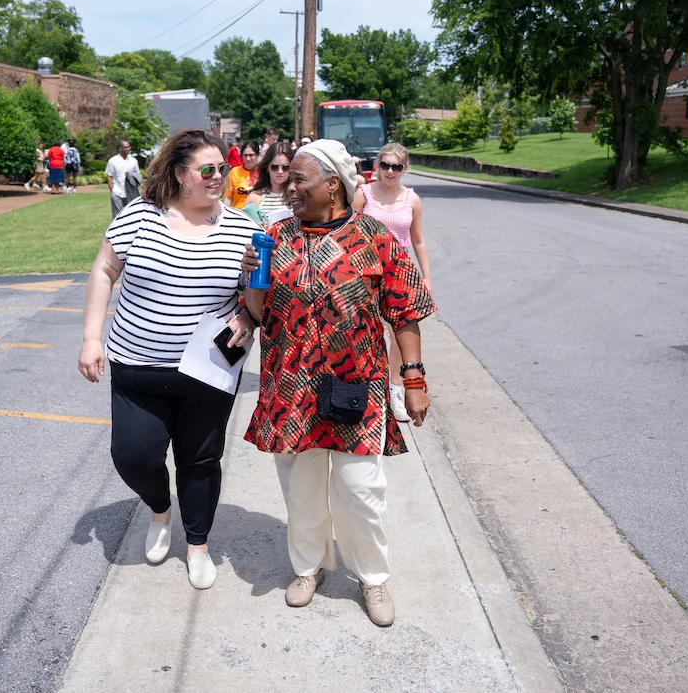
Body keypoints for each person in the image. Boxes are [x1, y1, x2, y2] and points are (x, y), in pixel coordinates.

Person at [237, 139, 436, 628]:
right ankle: (309, 567)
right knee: (300, 489)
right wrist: (253, 280)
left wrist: (413, 378)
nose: (290, 186)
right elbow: (260, 316)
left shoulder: (374, 237)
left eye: (300, 178)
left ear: (333, 185)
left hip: (357, 386)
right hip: (292, 387)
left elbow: (405, 314)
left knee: (359, 489)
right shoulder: (275, 235)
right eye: (289, 177)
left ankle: (371, 576)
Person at [78, 130, 258, 590]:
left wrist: (249, 312)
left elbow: (255, 304)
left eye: (223, 168)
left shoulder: (243, 229)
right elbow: (104, 269)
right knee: (133, 455)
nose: (219, 177)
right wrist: (91, 338)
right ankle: (160, 511)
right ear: (179, 174)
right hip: (137, 363)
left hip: (208, 370)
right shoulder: (140, 216)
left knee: (200, 460)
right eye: (208, 170)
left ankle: (197, 545)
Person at [352, 143, 433, 421]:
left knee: (400, 332)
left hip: (399, 272)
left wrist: (426, 277)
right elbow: (348, 232)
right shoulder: (363, 195)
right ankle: (368, 384)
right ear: (377, 166)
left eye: (396, 166)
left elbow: (419, 241)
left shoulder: (412, 199)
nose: (389, 171)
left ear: (404, 169)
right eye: (385, 165)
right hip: (365, 272)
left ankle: (396, 389)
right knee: (366, 329)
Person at [244, 142, 292, 223]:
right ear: (267, 168)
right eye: (274, 167)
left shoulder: (298, 196)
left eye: (285, 167)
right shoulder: (254, 197)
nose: (280, 171)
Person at [106, 140, 141, 218]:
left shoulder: (133, 161)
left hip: (130, 193)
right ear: (120, 149)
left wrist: (130, 176)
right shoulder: (113, 161)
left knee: (131, 215)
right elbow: (109, 176)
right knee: (117, 216)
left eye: (129, 147)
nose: (128, 149)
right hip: (117, 192)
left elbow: (138, 175)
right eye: (126, 147)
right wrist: (112, 190)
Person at [224, 140, 260, 209]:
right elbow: (228, 197)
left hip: (258, 216)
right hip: (238, 215)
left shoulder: (263, 172)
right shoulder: (235, 172)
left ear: (258, 155)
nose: (248, 158)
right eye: (245, 155)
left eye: (251, 155)